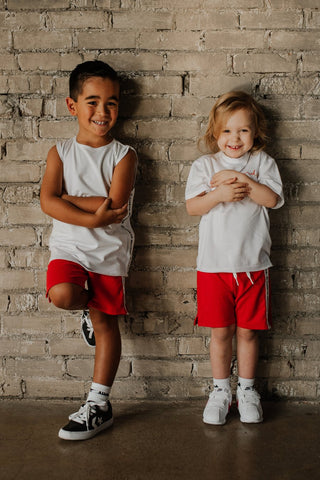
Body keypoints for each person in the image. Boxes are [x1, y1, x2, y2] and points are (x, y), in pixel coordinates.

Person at [40, 60, 137, 440]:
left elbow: (114, 203)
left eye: (111, 103)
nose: (102, 112)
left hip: (109, 254)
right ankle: (85, 306)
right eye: (93, 102)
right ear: (72, 106)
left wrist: (69, 199)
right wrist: (91, 216)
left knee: (105, 323)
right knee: (63, 294)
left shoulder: (123, 154)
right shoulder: (60, 152)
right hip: (69, 248)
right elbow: (48, 202)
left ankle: (100, 403)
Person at [185, 91, 284, 425]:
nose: (234, 138)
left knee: (248, 333)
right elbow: (192, 207)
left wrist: (242, 179)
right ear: (216, 133)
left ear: (255, 133)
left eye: (243, 130)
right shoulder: (205, 165)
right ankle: (220, 390)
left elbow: (271, 199)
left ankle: (247, 390)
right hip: (214, 268)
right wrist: (219, 194)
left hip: (254, 266)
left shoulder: (262, 163)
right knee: (221, 333)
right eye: (227, 130)